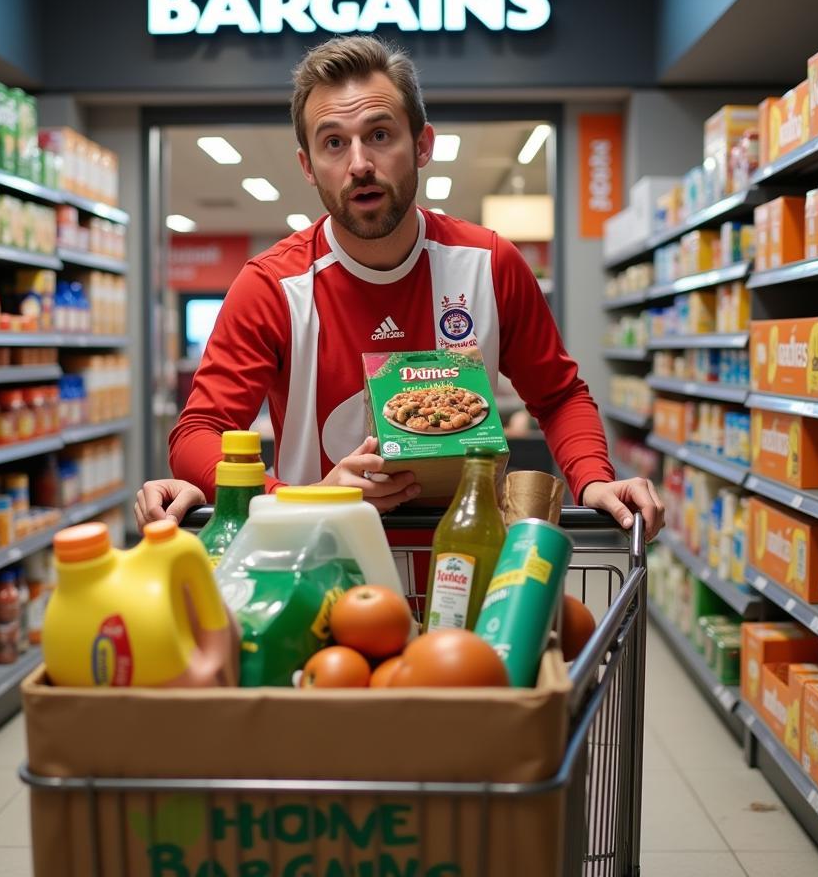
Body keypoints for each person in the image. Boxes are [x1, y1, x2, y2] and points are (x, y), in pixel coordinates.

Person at [136, 35, 664, 539]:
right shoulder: (272, 287)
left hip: (464, 566)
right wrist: (302, 498)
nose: (360, 163)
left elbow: (559, 394)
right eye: (334, 143)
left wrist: (593, 478)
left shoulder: (490, 263)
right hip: (317, 567)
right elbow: (199, 431)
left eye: (380, 135)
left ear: (422, 143)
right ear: (308, 166)